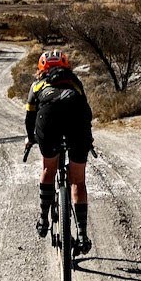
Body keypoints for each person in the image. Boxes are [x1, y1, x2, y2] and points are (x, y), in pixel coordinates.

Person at [25, 49, 94, 254]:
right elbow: (86, 112)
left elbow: (29, 118)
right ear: (66, 66)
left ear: (41, 68)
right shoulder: (75, 82)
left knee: (49, 169)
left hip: (48, 121)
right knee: (78, 181)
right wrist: (87, 138)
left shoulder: (37, 85)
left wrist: (30, 138)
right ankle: (82, 234)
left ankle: (43, 220)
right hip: (77, 122)